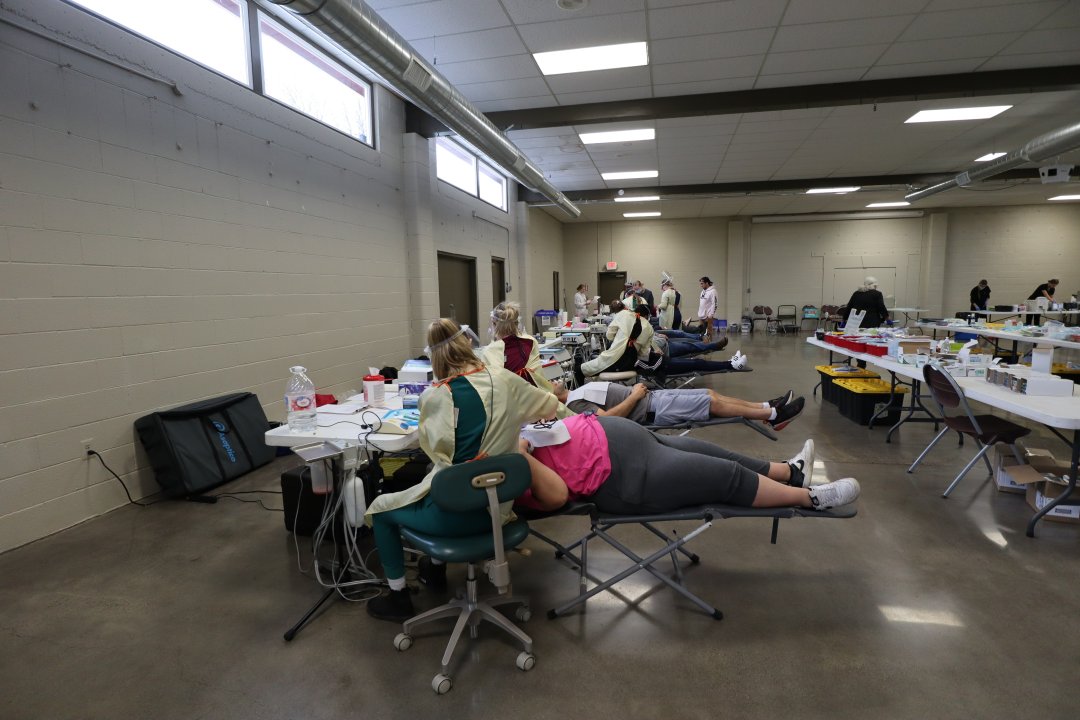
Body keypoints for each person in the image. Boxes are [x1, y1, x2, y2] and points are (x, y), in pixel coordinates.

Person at [364, 318, 569, 622]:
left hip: (454, 515)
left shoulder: (434, 397)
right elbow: (549, 407)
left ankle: (398, 597)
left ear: (434, 358)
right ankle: (433, 571)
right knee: (447, 482)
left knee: (382, 508)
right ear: (469, 345)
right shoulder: (506, 380)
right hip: (497, 512)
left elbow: (436, 451)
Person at [516, 414, 860, 515]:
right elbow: (557, 496)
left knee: (714, 452)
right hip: (621, 477)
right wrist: (520, 453)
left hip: (621, 438)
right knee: (723, 476)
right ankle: (811, 498)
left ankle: (790, 472)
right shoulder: (504, 465)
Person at [554, 380, 805, 431]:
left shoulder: (577, 390)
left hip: (650, 398)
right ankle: (772, 415)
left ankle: (765, 405)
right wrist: (634, 396)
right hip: (652, 409)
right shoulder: (576, 403)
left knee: (709, 392)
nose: (554, 379)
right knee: (710, 402)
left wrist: (636, 390)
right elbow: (606, 420)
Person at [481, 301, 554, 392]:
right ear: (516, 323)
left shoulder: (491, 351)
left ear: (494, 324)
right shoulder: (530, 342)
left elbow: (492, 387)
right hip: (537, 397)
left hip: (510, 401)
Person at [581, 299, 654, 378]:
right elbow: (643, 353)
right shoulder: (650, 328)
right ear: (647, 316)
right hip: (629, 363)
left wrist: (619, 338)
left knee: (580, 370)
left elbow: (609, 335)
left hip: (614, 359)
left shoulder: (624, 314)